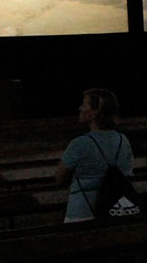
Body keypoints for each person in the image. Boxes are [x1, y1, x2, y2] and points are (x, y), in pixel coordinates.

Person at [56, 88, 134, 223]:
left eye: (85, 104)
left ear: (95, 113)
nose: (80, 108)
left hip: (82, 210)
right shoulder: (123, 140)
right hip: (116, 207)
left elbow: (59, 178)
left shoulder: (79, 144)